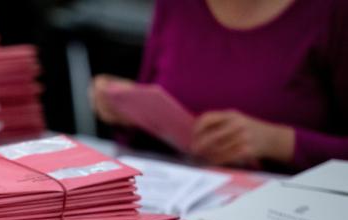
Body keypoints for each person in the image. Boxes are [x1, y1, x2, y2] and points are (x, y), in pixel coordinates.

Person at [91, 0, 348, 171]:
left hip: (292, 210)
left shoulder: (331, 11)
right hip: (182, 199)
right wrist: (125, 109)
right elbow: (143, 141)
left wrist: (280, 142)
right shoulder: (175, 6)